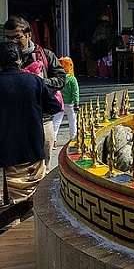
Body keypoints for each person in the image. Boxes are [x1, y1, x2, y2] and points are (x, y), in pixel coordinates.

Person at [0, 42, 62, 204]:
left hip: (5, 155)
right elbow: (55, 106)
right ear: (20, 60)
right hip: (33, 149)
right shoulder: (34, 81)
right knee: (35, 201)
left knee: (8, 207)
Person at [4, 16, 66, 164]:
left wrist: (37, 82)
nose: (12, 42)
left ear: (28, 35)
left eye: (17, 37)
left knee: (42, 166)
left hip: (41, 119)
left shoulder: (45, 55)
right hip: (12, 121)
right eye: (8, 38)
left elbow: (61, 79)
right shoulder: (3, 57)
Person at [52, 57, 79, 146]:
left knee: (56, 121)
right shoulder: (72, 79)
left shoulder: (59, 78)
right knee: (72, 121)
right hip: (70, 104)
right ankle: (73, 138)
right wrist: (76, 103)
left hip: (60, 103)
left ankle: (54, 140)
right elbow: (75, 92)